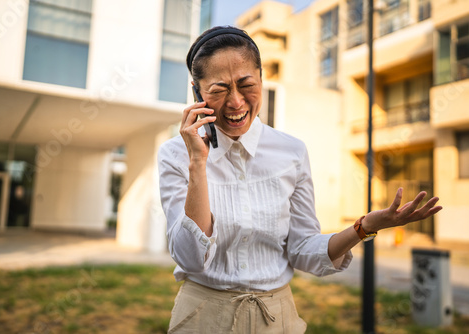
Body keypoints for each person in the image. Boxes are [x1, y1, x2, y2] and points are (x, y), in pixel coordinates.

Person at [157, 26, 442, 333]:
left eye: (246, 85)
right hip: (201, 318)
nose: (236, 102)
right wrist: (198, 163)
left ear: (262, 79)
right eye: (219, 89)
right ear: (197, 92)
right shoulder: (175, 155)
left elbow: (303, 249)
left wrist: (363, 228)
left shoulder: (291, 151)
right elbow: (191, 258)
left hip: (277, 318)